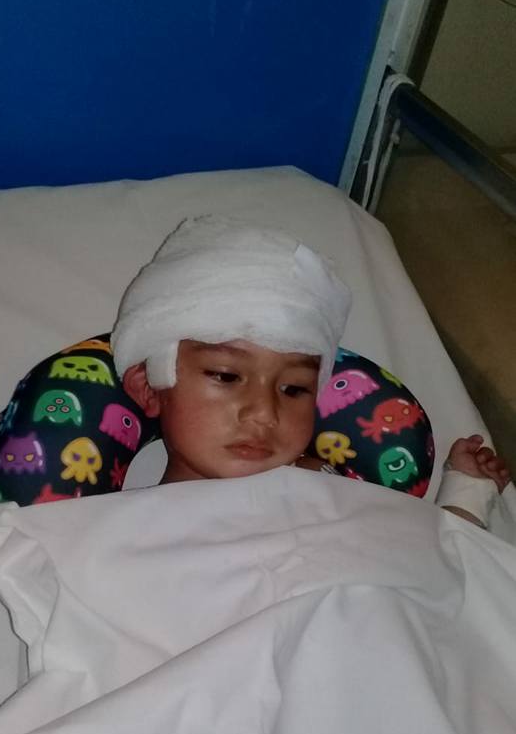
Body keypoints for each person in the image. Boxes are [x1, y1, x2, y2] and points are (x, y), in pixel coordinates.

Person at [111, 215, 510, 527]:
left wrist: (465, 502)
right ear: (149, 387)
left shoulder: (331, 492)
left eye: (294, 389)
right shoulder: (113, 532)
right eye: (226, 376)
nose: (264, 413)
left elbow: (417, 573)